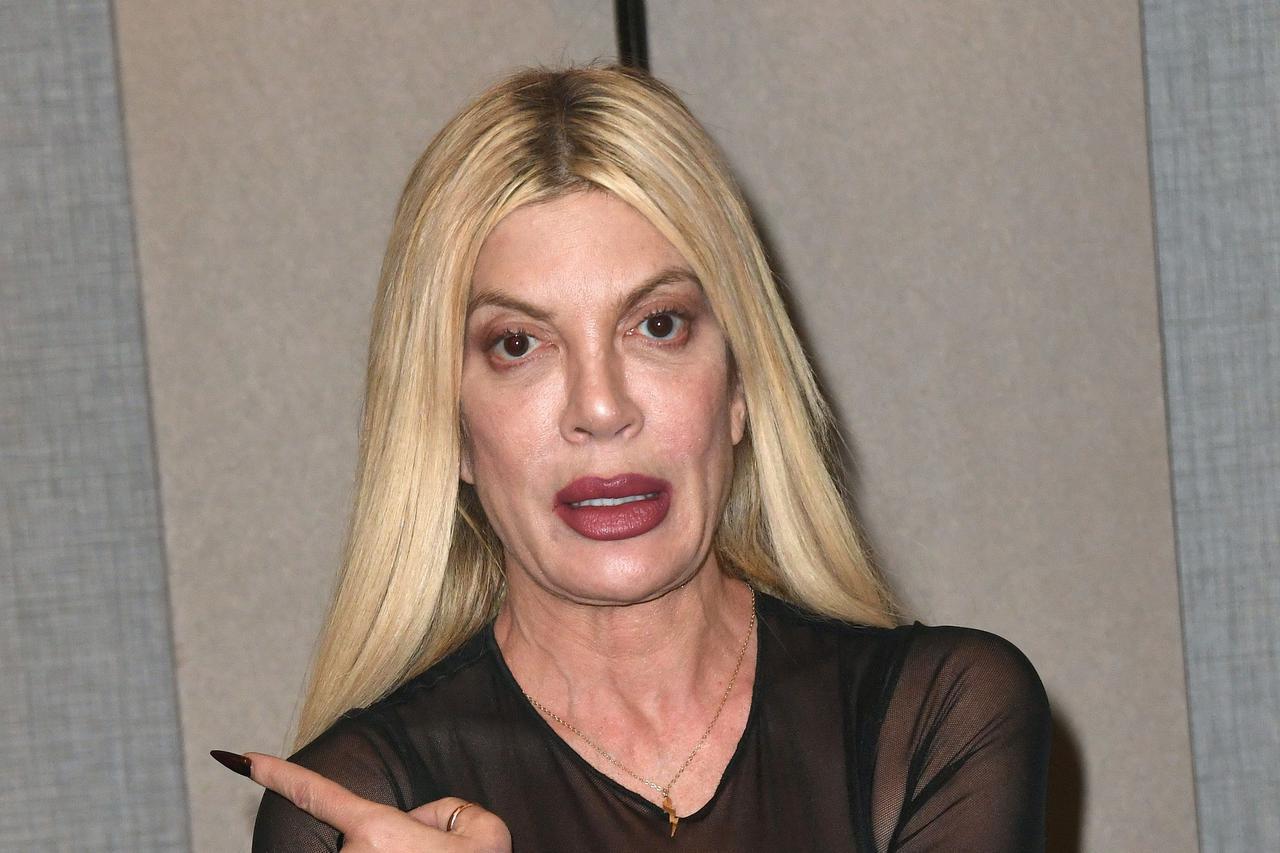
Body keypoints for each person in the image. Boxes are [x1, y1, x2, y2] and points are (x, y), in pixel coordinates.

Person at [213, 64, 1052, 851]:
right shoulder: (357, 814)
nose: (601, 407)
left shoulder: (943, 714)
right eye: (518, 343)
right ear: (451, 426)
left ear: (740, 384)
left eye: (658, 325)